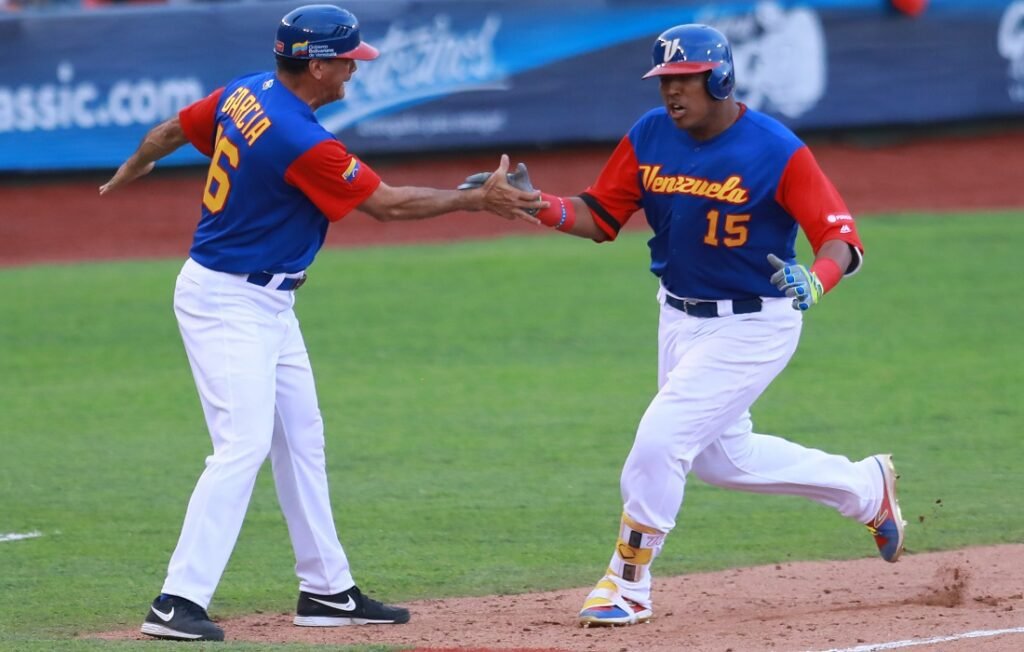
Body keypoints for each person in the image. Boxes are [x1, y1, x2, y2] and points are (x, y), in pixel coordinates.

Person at [98, 4, 541, 642]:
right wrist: (476, 199)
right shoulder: (297, 137)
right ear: (315, 65)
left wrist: (135, 164)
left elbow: (172, 129)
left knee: (302, 439)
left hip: (267, 303)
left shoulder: (250, 89)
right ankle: (175, 602)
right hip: (228, 303)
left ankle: (327, 590)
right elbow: (386, 206)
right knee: (242, 447)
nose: (353, 73)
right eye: (346, 62)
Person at [470, 24, 906, 627]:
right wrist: (537, 204)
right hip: (676, 315)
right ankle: (863, 488)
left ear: (720, 78)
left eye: (685, 80)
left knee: (660, 441)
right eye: (665, 81)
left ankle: (628, 583)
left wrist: (818, 278)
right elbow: (600, 215)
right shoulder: (650, 135)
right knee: (723, 459)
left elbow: (842, 237)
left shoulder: (775, 148)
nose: (672, 93)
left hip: (754, 325)